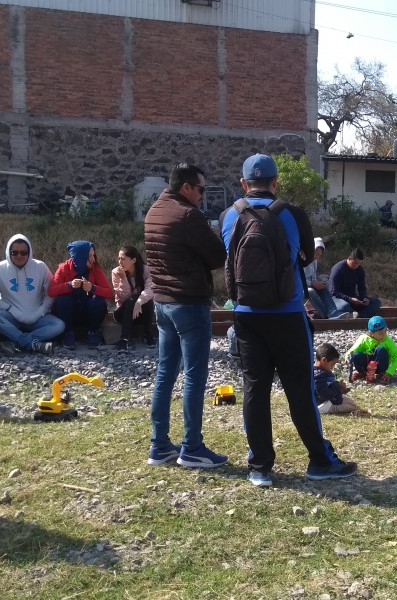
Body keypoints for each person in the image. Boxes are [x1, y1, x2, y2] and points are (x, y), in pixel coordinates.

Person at [220, 153, 356, 488]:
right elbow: (307, 256)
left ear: (243, 184)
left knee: (255, 389)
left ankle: (260, 467)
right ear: (275, 182)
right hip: (287, 314)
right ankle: (320, 461)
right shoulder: (291, 213)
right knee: (299, 390)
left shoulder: (228, 216)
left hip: (246, 316)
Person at [144, 162, 228, 469]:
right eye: (201, 190)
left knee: (165, 374)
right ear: (187, 188)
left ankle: (159, 445)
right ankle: (192, 447)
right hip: (189, 303)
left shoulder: (154, 211)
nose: (203, 196)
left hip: (162, 303)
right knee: (194, 376)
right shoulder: (189, 216)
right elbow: (218, 257)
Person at [0, 234, 64, 354]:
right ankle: (32, 343)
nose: (19, 256)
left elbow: (51, 293)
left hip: (37, 317)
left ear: (29, 252)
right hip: (11, 317)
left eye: (23, 252)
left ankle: (15, 341)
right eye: (14, 253)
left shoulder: (41, 267)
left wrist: (40, 311)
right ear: (8, 252)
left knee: (59, 325)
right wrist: (10, 309)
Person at [49, 241, 113, 349]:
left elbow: (109, 293)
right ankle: (68, 333)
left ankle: (93, 332)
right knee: (62, 300)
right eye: (90, 256)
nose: (94, 259)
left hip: (89, 314)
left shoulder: (95, 268)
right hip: (70, 314)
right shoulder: (64, 268)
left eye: (94, 255)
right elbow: (51, 291)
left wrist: (93, 288)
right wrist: (69, 285)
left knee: (97, 300)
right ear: (80, 257)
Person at [111, 245, 155, 350]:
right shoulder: (116, 272)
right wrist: (123, 279)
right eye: (119, 259)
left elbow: (150, 290)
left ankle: (148, 334)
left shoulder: (145, 270)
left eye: (123, 259)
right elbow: (122, 298)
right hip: (123, 313)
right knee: (131, 301)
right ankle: (124, 338)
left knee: (148, 301)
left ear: (133, 260)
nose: (120, 262)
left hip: (139, 313)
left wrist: (139, 302)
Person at [346, 315, 397, 384]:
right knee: (356, 354)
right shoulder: (363, 339)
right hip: (366, 364)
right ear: (371, 333)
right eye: (380, 333)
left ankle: (381, 374)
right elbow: (353, 349)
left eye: (385, 331)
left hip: (380, 366)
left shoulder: (388, 341)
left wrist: (389, 372)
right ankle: (362, 372)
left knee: (380, 349)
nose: (384, 335)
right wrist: (348, 356)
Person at [304, 237, 350, 319]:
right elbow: (297, 279)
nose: (317, 257)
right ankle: (325, 316)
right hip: (300, 287)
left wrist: (318, 282)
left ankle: (333, 312)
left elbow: (313, 276)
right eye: (316, 254)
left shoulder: (314, 261)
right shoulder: (302, 259)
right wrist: (312, 283)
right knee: (310, 291)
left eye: (319, 255)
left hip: (309, 284)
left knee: (323, 288)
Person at [329, 248, 382, 319]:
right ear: (349, 258)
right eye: (355, 263)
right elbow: (333, 292)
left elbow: (361, 287)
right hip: (338, 298)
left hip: (353, 299)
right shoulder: (338, 269)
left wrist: (364, 298)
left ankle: (359, 315)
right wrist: (349, 299)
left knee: (376, 302)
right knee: (345, 307)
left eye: (359, 263)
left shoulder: (360, 270)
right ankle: (365, 314)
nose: (356, 266)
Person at [314, 342, 362, 415]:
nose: (332, 367)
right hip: (322, 404)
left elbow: (329, 387)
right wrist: (338, 386)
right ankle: (334, 409)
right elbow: (324, 394)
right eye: (332, 364)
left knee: (352, 402)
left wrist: (340, 389)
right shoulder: (318, 375)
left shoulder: (322, 371)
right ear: (324, 360)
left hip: (328, 400)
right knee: (352, 406)